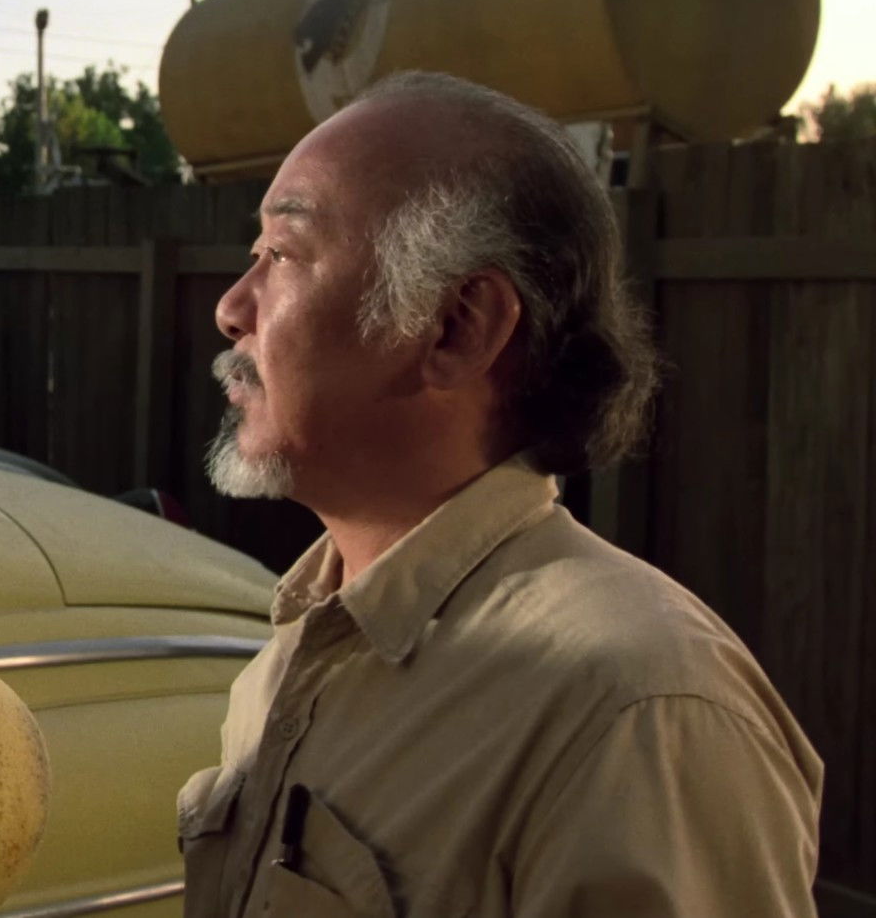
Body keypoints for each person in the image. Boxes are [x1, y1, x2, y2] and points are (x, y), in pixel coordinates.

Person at [182, 70, 822, 917]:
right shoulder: (302, 646)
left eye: (282, 254)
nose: (232, 307)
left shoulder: (638, 711)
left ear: (458, 326)